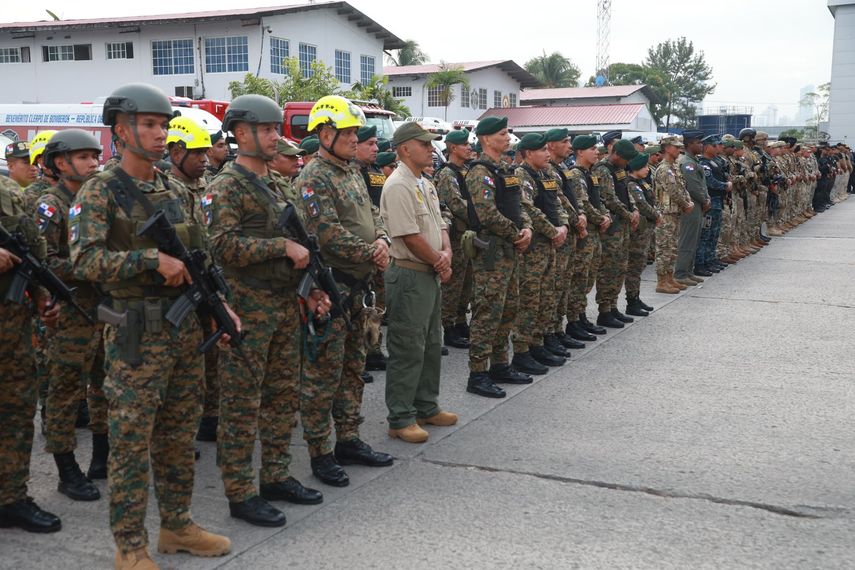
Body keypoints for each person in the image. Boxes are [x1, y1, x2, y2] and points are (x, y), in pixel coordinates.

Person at [70, 83, 233, 568]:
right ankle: (130, 544)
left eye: (163, 125)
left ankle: (177, 525)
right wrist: (148, 260)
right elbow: (83, 261)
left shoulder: (176, 188)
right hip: (135, 333)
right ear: (121, 131)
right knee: (130, 442)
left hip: (183, 333)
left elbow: (200, 259)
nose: (160, 134)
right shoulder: (100, 190)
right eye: (149, 124)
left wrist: (221, 305)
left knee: (179, 435)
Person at [207, 94, 328, 527]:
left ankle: (275, 475)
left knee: (282, 397)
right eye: (268, 129)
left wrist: (311, 289)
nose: (277, 136)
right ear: (241, 134)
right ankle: (240, 492)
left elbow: (301, 248)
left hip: (283, 303)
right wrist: (281, 246)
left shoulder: (277, 184)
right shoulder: (224, 186)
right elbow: (220, 246)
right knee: (241, 403)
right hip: (246, 306)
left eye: (277, 128)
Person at [296, 95, 394, 488]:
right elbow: (326, 233)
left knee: (354, 368)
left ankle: (349, 439)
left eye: (356, 131)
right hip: (331, 288)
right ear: (325, 133)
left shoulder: (351, 171)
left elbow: (371, 212)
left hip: (359, 288)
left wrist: (383, 237)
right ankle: (320, 452)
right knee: (324, 375)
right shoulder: (313, 176)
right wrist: (371, 250)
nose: (356, 138)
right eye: (349, 132)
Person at [37, 130, 108, 503]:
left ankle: (101, 457)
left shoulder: (97, 199)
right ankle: (67, 469)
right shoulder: (52, 205)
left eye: (95, 157)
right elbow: (43, 261)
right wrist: (87, 268)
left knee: (104, 384)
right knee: (65, 391)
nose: (94, 163)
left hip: (104, 308)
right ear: (61, 163)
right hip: (72, 311)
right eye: (84, 157)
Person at [380, 122, 456, 444]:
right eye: (423, 143)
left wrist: (447, 251)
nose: (430, 148)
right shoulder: (397, 185)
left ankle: (426, 405)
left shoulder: (425, 183)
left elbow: (439, 224)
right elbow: (408, 236)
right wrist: (438, 260)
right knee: (408, 347)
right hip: (410, 274)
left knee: (430, 344)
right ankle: (400, 417)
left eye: (430, 143)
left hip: (428, 273)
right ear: (404, 149)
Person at [0, 174, 63, 533]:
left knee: (17, 411)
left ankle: (11, 498)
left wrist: (42, 296)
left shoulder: (9, 191)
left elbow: (32, 251)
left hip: (12, 325)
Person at [464, 116, 533, 399]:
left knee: (508, 309)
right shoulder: (480, 172)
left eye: (507, 133)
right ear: (486, 139)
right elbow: (487, 214)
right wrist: (517, 233)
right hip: (492, 251)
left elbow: (520, 204)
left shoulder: (506, 170)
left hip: (510, 249)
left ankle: (500, 364)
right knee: (487, 311)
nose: (507, 138)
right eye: (502, 134)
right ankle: (478, 373)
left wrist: (526, 227)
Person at [165, 115, 222, 444]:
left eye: (205, 153)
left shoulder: (207, 187)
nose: (204, 159)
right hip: (181, 290)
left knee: (213, 357)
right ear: (176, 154)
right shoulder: (168, 191)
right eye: (197, 153)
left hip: (209, 283)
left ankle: (209, 418)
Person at [512, 133, 569, 374]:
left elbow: (558, 203)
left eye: (548, 149)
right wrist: (552, 230)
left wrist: (564, 225)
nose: (547, 154)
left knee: (547, 295)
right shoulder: (521, 176)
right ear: (527, 154)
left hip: (549, 245)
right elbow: (527, 208)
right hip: (534, 248)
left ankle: (538, 342)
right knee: (530, 299)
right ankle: (522, 350)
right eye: (542, 150)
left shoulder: (545, 174)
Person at [563, 134, 610, 341]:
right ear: (580, 152)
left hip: (594, 231)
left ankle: (581, 315)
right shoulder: (575, 174)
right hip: (585, 233)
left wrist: (605, 215)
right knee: (579, 277)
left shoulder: (589, 174)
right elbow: (583, 204)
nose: (597, 152)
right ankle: (574, 320)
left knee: (588, 276)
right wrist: (601, 218)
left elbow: (597, 200)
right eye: (592, 149)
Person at [544, 128, 587, 352]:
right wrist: (576, 218)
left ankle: (558, 329)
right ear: (550, 146)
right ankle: (549, 332)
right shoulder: (548, 170)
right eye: (564, 142)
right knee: (554, 286)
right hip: (559, 234)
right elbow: (558, 201)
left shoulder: (564, 169)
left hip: (569, 232)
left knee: (564, 285)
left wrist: (580, 214)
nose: (569, 146)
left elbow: (575, 196)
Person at [592, 139, 639, 328]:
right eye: (625, 159)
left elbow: (626, 193)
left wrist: (634, 209)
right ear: (616, 155)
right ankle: (604, 310)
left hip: (623, 224)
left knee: (620, 267)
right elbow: (609, 199)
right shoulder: (602, 170)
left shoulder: (619, 170)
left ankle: (613, 306)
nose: (626, 163)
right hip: (612, 228)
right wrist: (629, 214)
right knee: (609, 269)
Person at [434, 129, 474, 350]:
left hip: (468, 234)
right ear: (452, 148)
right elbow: (456, 205)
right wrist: (479, 216)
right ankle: (448, 327)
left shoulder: (466, 171)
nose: (469, 147)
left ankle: (460, 321)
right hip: (456, 236)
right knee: (453, 283)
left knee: (467, 282)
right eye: (464, 144)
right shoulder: (447, 174)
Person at [355, 125, 389, 373]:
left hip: (378, 245)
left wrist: (382, 240)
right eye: (370, 144)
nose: (375, 149)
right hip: (359, 252)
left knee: (378, 303)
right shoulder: (351, 174)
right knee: (361, 305)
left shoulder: (374, 172)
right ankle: (362, 354)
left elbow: (375, 210)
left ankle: (374, 349)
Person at [653, 136, 692, 293]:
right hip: (666, 213)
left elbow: (682, 187)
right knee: (664, 248)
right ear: (667, 148)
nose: (679, 150)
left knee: (673, 247)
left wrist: (687, 201)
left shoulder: (674, 167)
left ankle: (670, 278)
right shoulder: (664, 169)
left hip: (675, 212)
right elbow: (673, 191)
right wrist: (685, 204)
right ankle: (662, 282)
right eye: (676, 147)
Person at [624, 152, 659, 316]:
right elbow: (642, 205)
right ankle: (631, 301)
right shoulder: (631, 184)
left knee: (640, 266)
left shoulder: (642, 183)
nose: (647, 169)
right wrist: (656, 215)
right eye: (643, 167)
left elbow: (651, 200)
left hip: (646, 231)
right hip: (638, 233)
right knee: (634, 266)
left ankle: (636, 298)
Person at [674, 130, 710, 287]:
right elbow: (693, 186)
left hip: (697, 204)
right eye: (698, 143)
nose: (701, 145)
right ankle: (681, 273)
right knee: (687, 240)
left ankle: (688, 271)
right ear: (689, 144)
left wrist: (705, 199)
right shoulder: (687, 163)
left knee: (693, 239)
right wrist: (704, 200)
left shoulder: (693, 161)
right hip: (691, 204)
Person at [696, 135, 730, 275]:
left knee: (714, 233)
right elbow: (710, 182)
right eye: (715, 145)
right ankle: (700, 263)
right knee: (705, 234)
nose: (718, 148)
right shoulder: (704, 163)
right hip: (710, 202)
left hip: (717, 201)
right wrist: (725, 186)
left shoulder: (715, 161)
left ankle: (710, 259)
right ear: (707, 147)